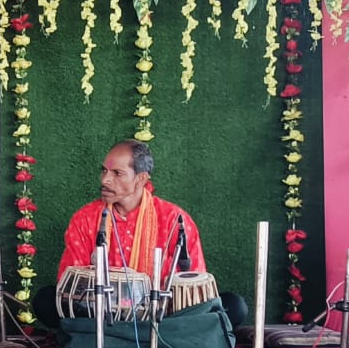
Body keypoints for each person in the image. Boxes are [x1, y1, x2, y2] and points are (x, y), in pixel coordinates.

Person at [38, 140, 246, 328]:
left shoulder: (174, 219)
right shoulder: (85, 218)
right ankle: (127, 334)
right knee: (45, 300)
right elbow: (70, 282)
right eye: (104, 171)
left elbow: (194, 284)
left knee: (234, 306)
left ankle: (132, 335)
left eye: (117, 173)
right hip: (99, 313)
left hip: (163, 315)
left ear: (141, 178)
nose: (105, 180)